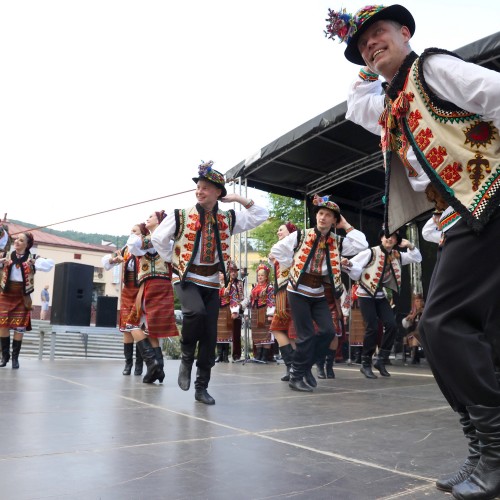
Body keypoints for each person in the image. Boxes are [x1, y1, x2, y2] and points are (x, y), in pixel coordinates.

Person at [327, 4, 500, 498]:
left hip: (489, 201)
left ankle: (495, 451)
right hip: (462, 216)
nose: (370, 45)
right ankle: (483, 451)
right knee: (474, 334)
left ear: (406, 32)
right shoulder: (388, 104)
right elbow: (353, 102)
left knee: (440, 324)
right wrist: (367, 59)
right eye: (362, 45)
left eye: (378, 34)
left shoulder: (434, 69)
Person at [152, 161, 268, 405]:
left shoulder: (228, 218)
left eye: (206, 188)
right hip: (186, 278)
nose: (200, 191)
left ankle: (201, 387)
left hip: (212, 282)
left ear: (218, 192)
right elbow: (158, 238)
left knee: (209, 335)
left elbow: (261, 215)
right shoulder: (180, 215)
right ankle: (185, 357)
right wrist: (173, 259)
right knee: (195, 313)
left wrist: (237, 197)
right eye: (198, 187)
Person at [270, 194, 368, 392]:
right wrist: (293, 265)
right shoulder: (300, 235)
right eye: (320, 213)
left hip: (318, 292)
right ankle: (296, 375)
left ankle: (304, 366)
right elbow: (277, 250)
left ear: (334, 220)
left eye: (328, 215)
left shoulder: (337, 241)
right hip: (297, 291)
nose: (323, 217)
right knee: (305, 335)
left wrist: (346, 224)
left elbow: (361, 245)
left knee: (328, 332)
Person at [341, 229, 422, 378]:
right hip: (365, 294)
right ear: (381, 238)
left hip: (380, 296)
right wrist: (348, 263)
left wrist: (410, 246)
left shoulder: (397, 255)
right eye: (386, 236)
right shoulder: (371, 252)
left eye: (393, 237)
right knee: (372, 327)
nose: (389, 239)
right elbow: (355, 265)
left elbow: (416, 258)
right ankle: (365, 363)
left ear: (397, 241)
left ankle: (381, 359)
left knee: (391, 325)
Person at [127, 212, 178, 384]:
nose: (146, 219)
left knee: (132, 324)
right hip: (163, 285)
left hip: (150, 285)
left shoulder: (150, 240)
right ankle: (158, 369)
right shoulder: (168, 241)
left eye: (151, 216)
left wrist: (136, 233)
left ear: (160, 221)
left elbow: (133, 244)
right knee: (151, 329)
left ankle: (152, 362)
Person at [0, 231, 54, 369]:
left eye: (21, 240)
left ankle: (15, 359)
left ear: (27, 244)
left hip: (22, 295)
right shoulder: (6, 255)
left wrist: (35, 261)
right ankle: (4, 356)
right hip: (6, 294)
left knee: (19, 327)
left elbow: (49, 264)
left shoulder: (33, 257)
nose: (17, 241)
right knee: (3, 325)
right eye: (16, 239)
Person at [102, 223, 148, 377]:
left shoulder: (147, 248)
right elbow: (107, 263)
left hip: (141, 291)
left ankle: (139, 366)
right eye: (131, 231)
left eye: (135, 231)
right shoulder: (124, 250)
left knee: (139, 327)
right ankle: (128, 363)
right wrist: (115, 260)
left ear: (142, 234)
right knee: (126, 329)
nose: (132, 233)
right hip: (127, 292)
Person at [269, 221, 299, 381]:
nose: (278, 233)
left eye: (281, 230)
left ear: (290, 232)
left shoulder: (289, 249)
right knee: (289, 330)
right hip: (286, 291)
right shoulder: (287, 249)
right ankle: (294, 367)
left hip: (286, 291)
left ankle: (292, 366)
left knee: (278, 327)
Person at [215, 262, 245, 363]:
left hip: (228, 308)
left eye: (221, 273)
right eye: (219, 274)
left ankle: (225, 355)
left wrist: (236, 309)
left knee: (227, 332)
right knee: (218, 332)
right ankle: (219, 354)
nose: (220, 275)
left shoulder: (233, 284)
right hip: (218, 309)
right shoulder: (216, 284)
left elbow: (236, 297)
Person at [249, 263, 275, 361]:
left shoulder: (269, 287)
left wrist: (270, 314)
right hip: (255, 312)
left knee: (266, 333)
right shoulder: (255, 287)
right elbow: (250, 299)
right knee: (257, 333)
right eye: (259, 275)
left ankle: (264, 356)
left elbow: (271, 300)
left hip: (265, 312)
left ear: (266, 276)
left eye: (262, 275)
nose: (260, 277)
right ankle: (258, 355)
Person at [402, 293, 425, 365]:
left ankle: (414, 357)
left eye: (421, 301)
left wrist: (418, 313)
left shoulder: (425, 310)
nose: (419, 303)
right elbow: (406, 325)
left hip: (423, 333)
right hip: (414, 332)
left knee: (414, 336)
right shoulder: (412, 312)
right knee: (411, 336)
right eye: (417, 301)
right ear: (414, 302)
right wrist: (407, 318)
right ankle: (415, 356)